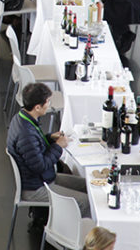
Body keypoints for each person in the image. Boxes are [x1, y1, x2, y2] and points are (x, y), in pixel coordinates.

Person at [7, 83, 90, 216]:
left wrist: (50, 138)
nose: (49, 105)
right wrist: (58, 146)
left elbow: (34, 147)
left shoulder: (22, 118)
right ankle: (72, 229)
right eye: (48, 102)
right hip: (36, 188)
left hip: (42, 178)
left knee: (88, 186)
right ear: (37, 107)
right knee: (84, 201)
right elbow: (40, 166)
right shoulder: (26, 134)